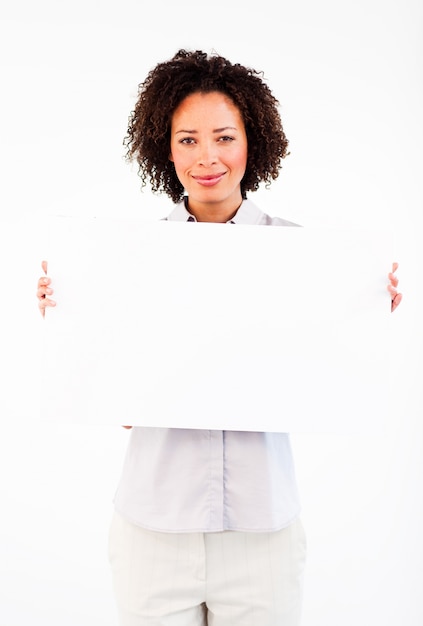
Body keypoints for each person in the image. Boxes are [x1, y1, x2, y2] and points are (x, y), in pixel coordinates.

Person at [36, 49, 402, 626]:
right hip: (152, 529)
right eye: (187, 140)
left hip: (262, 532)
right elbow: (125, 404)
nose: (207, 157)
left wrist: (364, 310)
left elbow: (322, 380)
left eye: (223, 137)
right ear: (165, 147)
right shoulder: (127, 262)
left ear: (252, 141)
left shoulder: (306, 258)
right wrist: (74, 319)